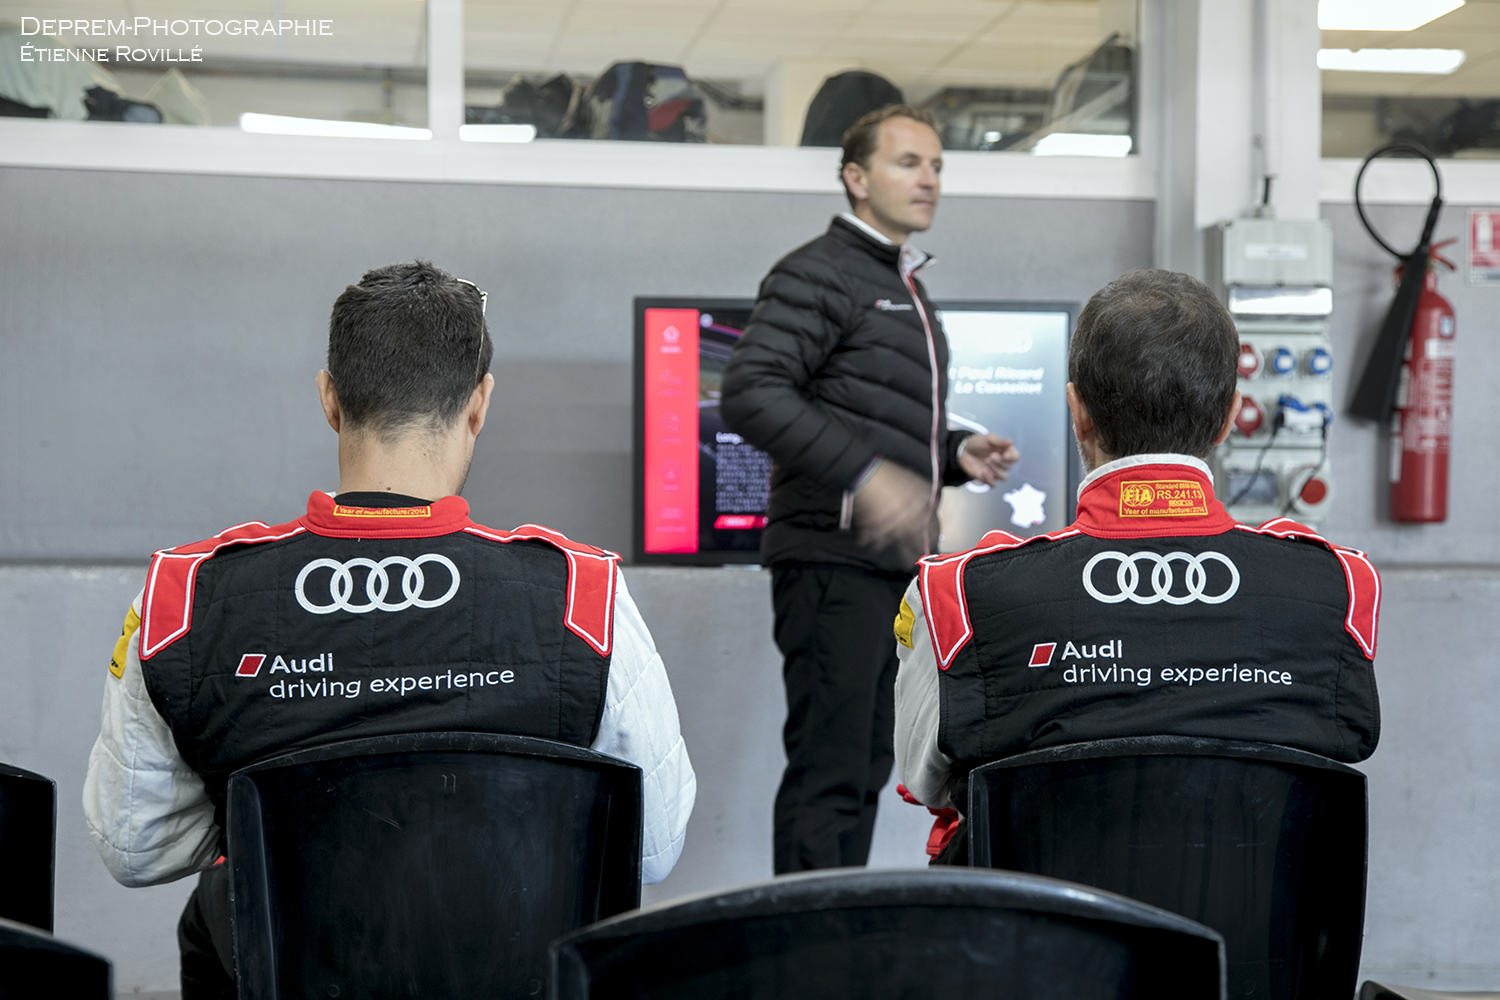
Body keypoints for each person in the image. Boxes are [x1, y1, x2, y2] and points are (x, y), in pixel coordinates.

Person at [82, 262, 697, 997]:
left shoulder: (187, 597)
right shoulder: (582, 596)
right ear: (479, 404)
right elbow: (654, 848)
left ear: (329, 399)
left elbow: (137, 848)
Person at [893, 269, 1381, 863]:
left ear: (1078, 413)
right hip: (1258, 922)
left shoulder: (958, 598)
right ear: (1229, 417)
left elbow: (923, 782)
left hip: (1038, 922)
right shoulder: (1339, 590)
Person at [720, 105, 1019, 874]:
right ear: (856, 177)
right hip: (831, 559)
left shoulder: (899, 283)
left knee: (859, 773)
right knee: (830, 773)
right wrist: (866, 474)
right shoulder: (819, 272)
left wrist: (956, 453)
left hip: (886, 568)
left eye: (937, 165)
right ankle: (805, 940)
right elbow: (750, 392)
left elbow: (870, 414)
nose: (929, 179)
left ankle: (836, 930)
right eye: (908, 162)